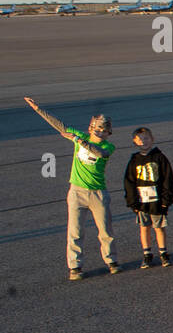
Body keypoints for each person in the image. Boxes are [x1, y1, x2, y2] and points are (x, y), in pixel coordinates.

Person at [22, 100, 119, 279]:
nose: (100, 132)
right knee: (75, 231)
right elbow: (60, 125)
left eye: (104, 131)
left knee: (105, 230)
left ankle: (111, 261)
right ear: (90, 128)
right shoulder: (80, 136)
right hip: (77, 192)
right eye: (97, 129)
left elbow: (100, 153)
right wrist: (38, 109)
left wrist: (78, 140)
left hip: (98, 193)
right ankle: (75, 266)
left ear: (108, 133)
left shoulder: (107, 147)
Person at [123, 127, 173, 269]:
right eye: (139, 139)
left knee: (159, 227)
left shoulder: (159, 157)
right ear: (134, 142)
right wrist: (132, 202)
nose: (143, 141)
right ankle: (147, 253)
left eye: (146, 138)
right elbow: (129, 182)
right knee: (144, 227)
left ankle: (163, 252)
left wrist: (166, 200)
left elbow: (167, 179)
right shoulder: (134, 160)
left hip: (157, 200)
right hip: (141, 202)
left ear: (152, 139)